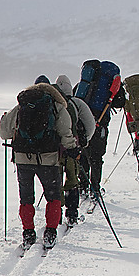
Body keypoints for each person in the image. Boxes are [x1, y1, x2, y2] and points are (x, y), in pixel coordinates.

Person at [0, 79, 76, 250]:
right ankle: (50, 233)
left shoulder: (22, 107)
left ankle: (28, 233)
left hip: (23, 159)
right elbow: (65, 131)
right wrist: (72, 148)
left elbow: (4, 132)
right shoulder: (56, 107)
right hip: (48, 158)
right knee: (53, 196)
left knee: (26, 198)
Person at [54, 74, 96, 226]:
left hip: (55, 150)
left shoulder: (53, 104)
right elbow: (90, 124)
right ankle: (72, 214)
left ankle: (55, 216)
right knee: (72, 180)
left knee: (55, 182)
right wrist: (83, 144)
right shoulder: (76, 103)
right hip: (72, 148)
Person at [79, 83, 126, 200]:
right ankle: (94, 188)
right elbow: (120, 103)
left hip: (83, 126)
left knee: (83, 155)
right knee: (96, 158)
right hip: (100, 126)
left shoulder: (85, 82)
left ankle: (83, 186)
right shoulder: (110, 85)